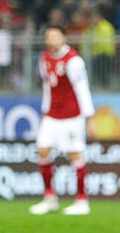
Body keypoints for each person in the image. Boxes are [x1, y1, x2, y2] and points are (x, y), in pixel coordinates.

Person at [29, 26, 95, 216]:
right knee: (42, 151)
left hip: (72, 115)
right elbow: (47, 88)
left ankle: (82, 201)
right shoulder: (44, 59)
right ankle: (50, 199)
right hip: (52, 115)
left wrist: (88, 117)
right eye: (49, 37)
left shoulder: (74, 61)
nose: (52, 40)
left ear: (64, 38)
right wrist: (45, 110)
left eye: (56, 37)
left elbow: (82, 88)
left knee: (75, 155)